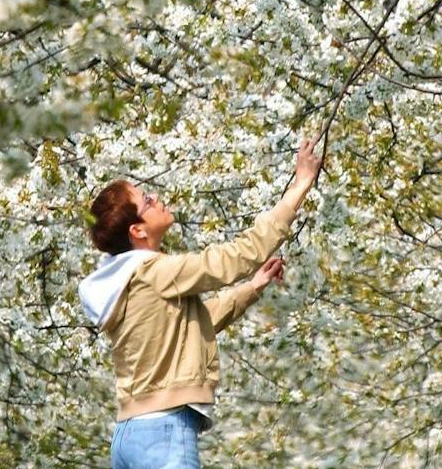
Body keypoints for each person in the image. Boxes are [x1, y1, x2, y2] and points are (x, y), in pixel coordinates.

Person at [79, 132, 325, 469]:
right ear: (137, 231)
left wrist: (253, 287)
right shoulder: (155, 271)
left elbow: (190, 326)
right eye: (146, 201)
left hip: (129, 435)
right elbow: (237, 256)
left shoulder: (125, 282)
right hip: (165, 432)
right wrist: (300, 185)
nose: (156, 198)